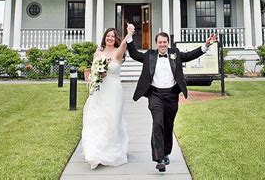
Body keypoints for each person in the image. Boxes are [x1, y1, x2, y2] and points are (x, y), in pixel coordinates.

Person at [126, 23, 218, 173]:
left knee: (168, 125)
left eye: (165, 42)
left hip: (171, 95)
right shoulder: (150, 55)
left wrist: (206, 45)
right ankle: (159, 159)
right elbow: (135, 54)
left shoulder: (175, 54)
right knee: (157, 124)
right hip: (155, 95)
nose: (162, 44)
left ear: (168, 43)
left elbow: (190, 56)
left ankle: (166, 152)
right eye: (160, 42)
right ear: (156, 43)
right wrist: (129, 36)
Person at [81, 28, 128, 170]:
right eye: (108, 36)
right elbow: (92, 71)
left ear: (116, 39)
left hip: (114, 91)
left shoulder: (118, 52)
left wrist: (129, 34)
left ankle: (112, 150)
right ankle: (95, 152)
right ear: (104, 38)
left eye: (113, 36)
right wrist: (93, 77)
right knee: (95, 119)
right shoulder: (98, 53)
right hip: (99, 91)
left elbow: (123, 45)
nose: (110, 38)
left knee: (112, 120)